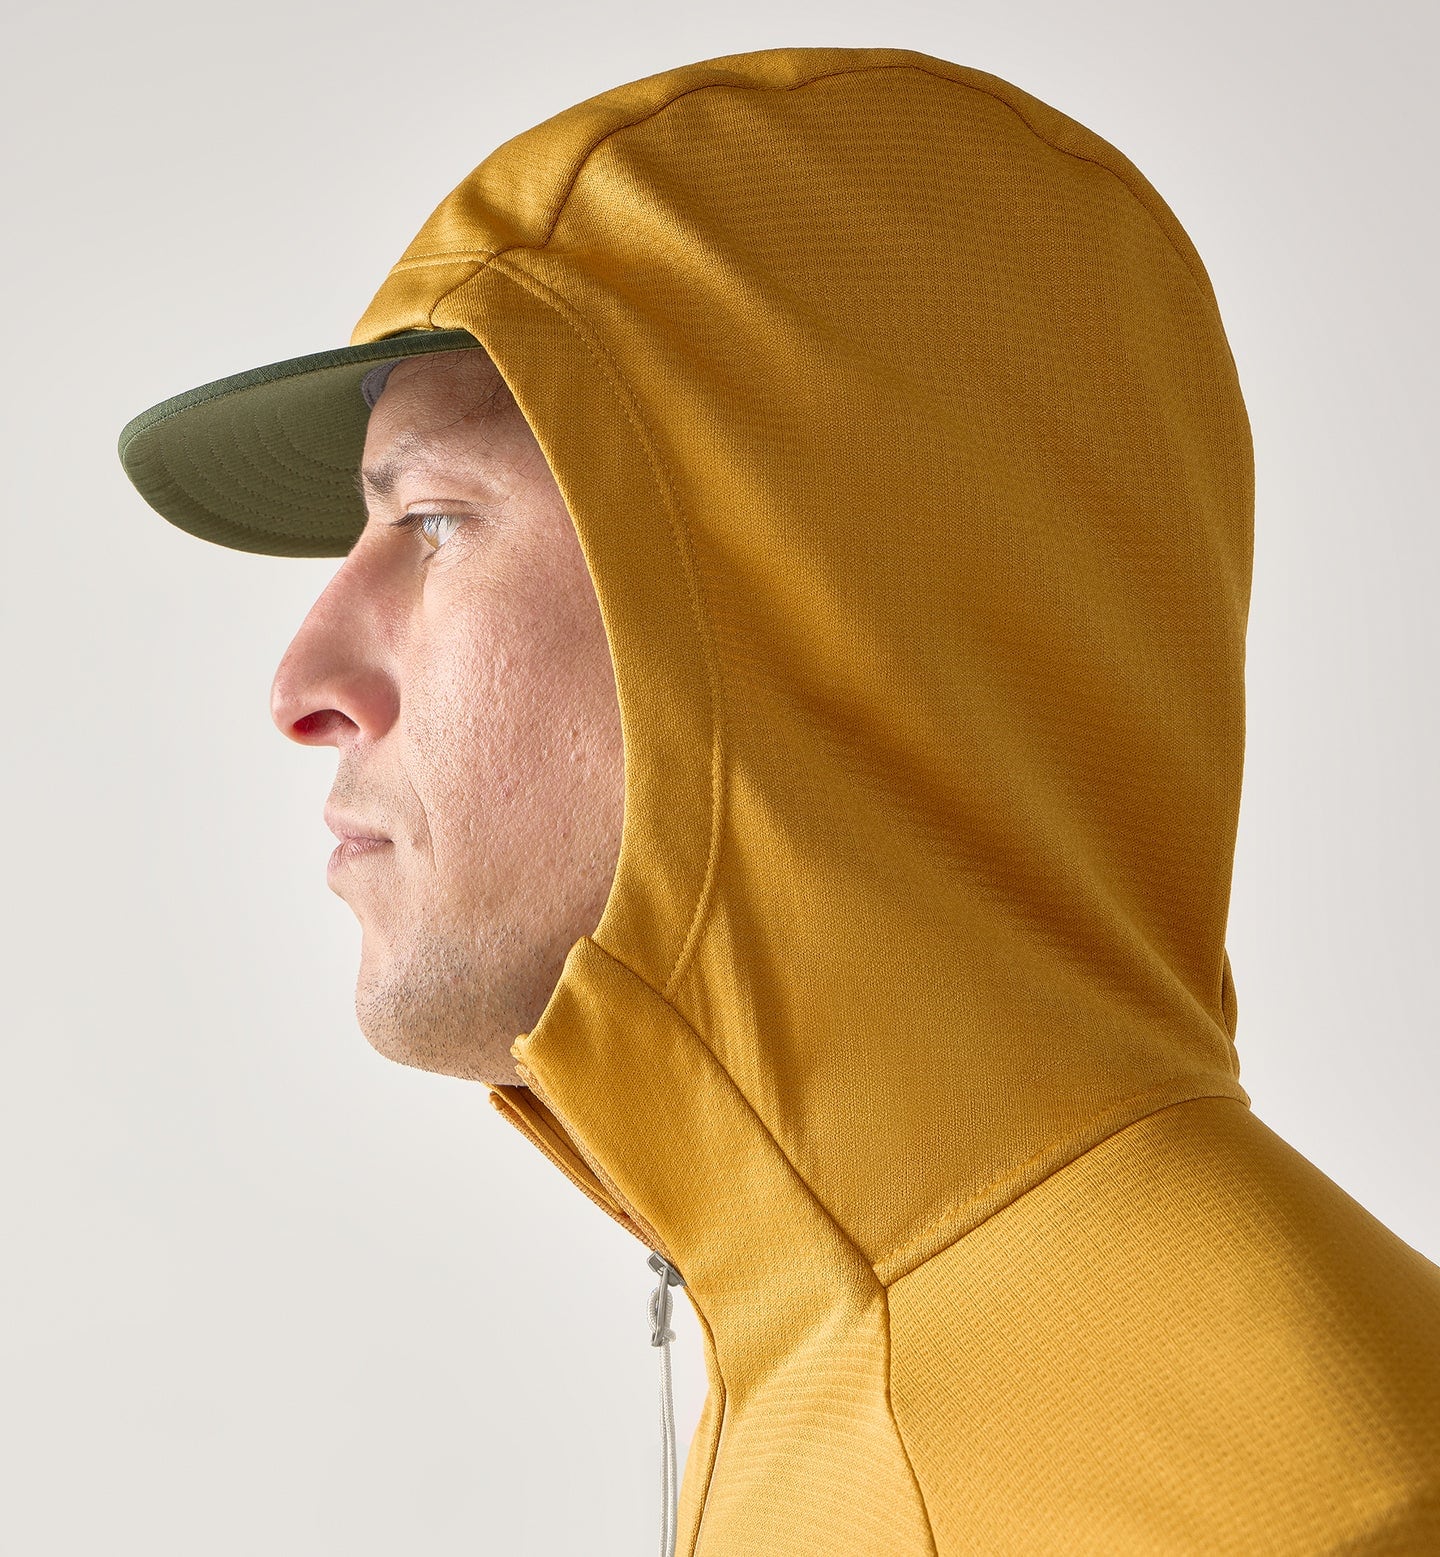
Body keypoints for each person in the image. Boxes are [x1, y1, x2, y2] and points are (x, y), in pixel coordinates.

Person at [118, 44, 1440, 1557]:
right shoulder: (851, 1364)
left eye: (433, 520)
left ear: (800, 601)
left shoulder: (1300, 1515)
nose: (304, 683)